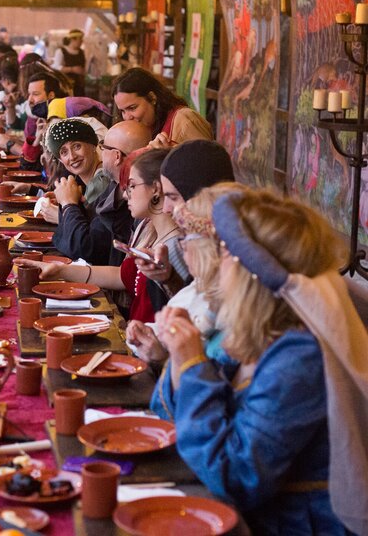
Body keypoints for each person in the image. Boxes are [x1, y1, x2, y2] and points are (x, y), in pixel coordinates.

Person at [151, 189, 359, 535]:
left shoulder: (300, 357)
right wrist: (180, 358)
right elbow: (167, 418)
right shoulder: (256, 332)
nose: (218, 262)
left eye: (225, 251)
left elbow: (234, 477)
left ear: (250, 272)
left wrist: (192, 366)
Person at [18, 147, 187, 322]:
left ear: (156, 189)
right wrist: (60, 271)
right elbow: (120, 276)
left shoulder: (175, 247)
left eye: (132, 186)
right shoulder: (148, 227)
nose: (125, 194)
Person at [127, 182, 246, 365]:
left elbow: (209, 386)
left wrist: (164, 359)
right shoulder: (201, 286)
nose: (183, 245)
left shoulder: (233, 324)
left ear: (213, 249)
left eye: (187, 237)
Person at [133, 139, 235, 313]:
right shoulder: (201, 243)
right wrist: (169, 278)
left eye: (173, 197)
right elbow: (194, 310)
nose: (166, 208)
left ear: (197, 193)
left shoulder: (234, 254)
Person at [52, 119, 151, 266]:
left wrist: (68, 204)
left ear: (117, 156)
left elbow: (86, 248)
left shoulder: (125, 196)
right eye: (64, 152)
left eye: (103, 147)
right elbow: (66, 236)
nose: (72, 157)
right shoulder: (115, 187)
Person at [112, 67, 213, 148]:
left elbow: (209, 165)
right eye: (122, 111)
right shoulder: (146, 129)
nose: (127, 117)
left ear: (152, 98)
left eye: (132, 108)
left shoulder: (184, 119)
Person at [53, 29, 86, 96]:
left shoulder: (81, 52)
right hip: (66, 85)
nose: (81, 42)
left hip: (79, 85)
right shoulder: (61, 51)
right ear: (73, 40)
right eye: (80, 39)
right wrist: (72, 69)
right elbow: (56, 67)